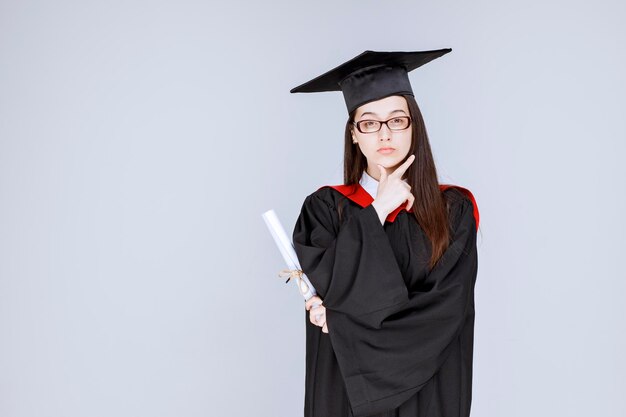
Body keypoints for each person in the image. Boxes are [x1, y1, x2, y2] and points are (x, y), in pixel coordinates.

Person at [290, 49, 480, 417]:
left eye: (397, 120)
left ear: (414, 126)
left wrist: (342, 322)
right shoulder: (325, 209)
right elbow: (331, 284)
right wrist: (377, 209)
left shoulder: (452, 210)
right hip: (346, 390)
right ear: (354, 134)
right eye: (369, 123)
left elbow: (446, 311)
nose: (384, 134)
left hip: (429, 391)